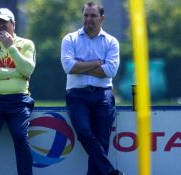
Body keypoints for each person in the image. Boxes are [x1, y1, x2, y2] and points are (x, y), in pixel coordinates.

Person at [61, 2, 124, 175]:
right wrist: (97, 63)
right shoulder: (70, 39)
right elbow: (68, 67)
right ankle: (110, 172)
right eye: (86, 15)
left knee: (102, 140)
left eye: (93, 16)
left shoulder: (112, 42)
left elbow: (110, 71)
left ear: (102, 18)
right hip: (77, 96)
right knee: (84, 132)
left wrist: (80, 64)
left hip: (103, 95)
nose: (88, 19)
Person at [0, 8, 36, 175]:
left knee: (20, 136)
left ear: (13, 24)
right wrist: (17, 73)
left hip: (18, 101)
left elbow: (28, 69)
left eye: (5, 22)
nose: (0, 26)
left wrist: (11, 47)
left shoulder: (26, 44)